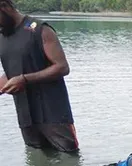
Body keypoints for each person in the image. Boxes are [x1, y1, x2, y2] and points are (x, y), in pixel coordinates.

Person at [0, 0, 78, 153]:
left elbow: (62, 66)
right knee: (35, 162)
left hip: (54, 114)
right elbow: (13, 71)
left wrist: (25, 79)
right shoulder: (2, 35)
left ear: (5, 7)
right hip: (25, 115)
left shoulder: (38, 29)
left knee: (68, 158)